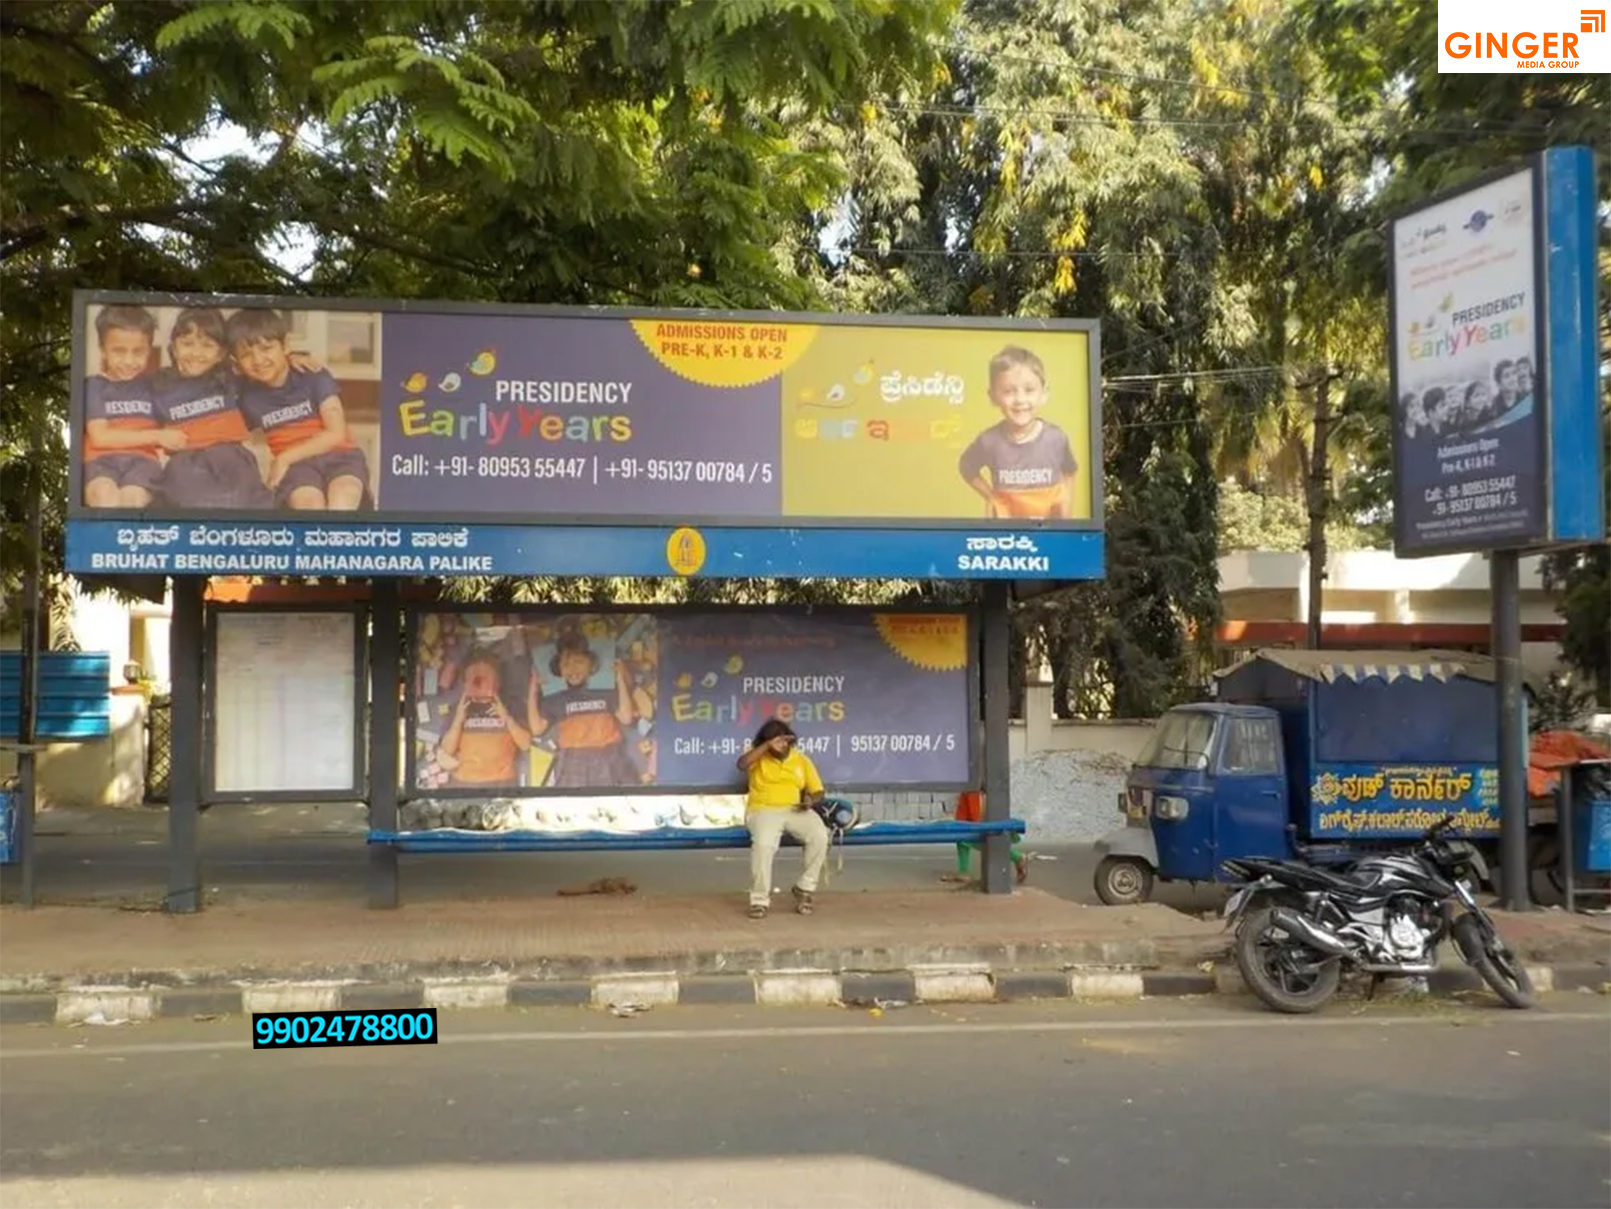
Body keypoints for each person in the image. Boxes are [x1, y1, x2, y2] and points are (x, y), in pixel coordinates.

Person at [228, 308, 370, 510]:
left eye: (267, 348)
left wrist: (284, 459)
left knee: (343, 497)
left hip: (340, 457)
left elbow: (336, 433)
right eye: (247, 355)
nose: (258, 361)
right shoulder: (247, 395)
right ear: (237, 363)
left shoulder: (312, 375)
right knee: (310, 506)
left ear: (285, 346)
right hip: (297, 469)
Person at [152, 307, 273, 509]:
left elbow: (270, 372)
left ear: (221, 354)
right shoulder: (159, 384)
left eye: (207, 345)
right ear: (174, 347)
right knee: (190, 502)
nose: (196, 353)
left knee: (240, 499)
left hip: (230, 454)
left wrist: (294, 359)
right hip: (185, 460)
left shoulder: (231, 378)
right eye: (187, 344)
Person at [957, 345, 1078, 519]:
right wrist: (991, 497)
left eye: (1029, 390)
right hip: (1006, 535)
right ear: (993, 396)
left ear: (1044, 394)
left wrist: (1065, 504)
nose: (1020, 400)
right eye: (1008, 391)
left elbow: (1069, 470)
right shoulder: (989, 441)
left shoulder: (1056, 438)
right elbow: (966, 466)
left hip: (1048, 533)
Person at [82, 305, 177, 507]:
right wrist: (157, 436)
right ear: (102, 349)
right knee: (103, 495)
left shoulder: (153, 385)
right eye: (119, 351)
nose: (128, 361)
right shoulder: (94, 386)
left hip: (143, 463)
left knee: (132, 501)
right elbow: (100, 437)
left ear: (149, 350)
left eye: (138, 352)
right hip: (100, 461)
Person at [736, 718, 830, 919]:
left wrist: (809, 800)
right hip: (763, 810)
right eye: (777, 742)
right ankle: (759, 899)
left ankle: (804, 889)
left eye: (785, 741)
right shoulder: (758, 758)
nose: (782, 746)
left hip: (795, 809)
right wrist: (766, 745)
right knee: (764, 844)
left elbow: (818, 790)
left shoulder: (800, 759)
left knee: (820, 835)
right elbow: (741, 764)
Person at [527, 628, 640, 788]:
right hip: (574, 760)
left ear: (591, 664)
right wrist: (533, 691)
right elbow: (537, 728)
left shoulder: (606, 691)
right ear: (559, 669)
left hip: (608, 755)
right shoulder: (556, 698)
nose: (573, 669)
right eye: (566, 664)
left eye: (579, 662)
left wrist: (620, 679)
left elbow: (626, 717)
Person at [437, 650, 532, 787]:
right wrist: (458, 720)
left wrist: (506, 717)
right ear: (465, 683)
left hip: (502, 785)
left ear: (497, 682)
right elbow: (447, 751)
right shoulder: (458, 709)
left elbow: (525, 744)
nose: (480, 684)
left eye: (485, 678)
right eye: (475, 679)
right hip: (464, 784)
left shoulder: (512, 706)